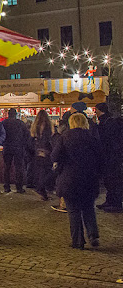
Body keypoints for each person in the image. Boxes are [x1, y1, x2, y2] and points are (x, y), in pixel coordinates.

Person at [51, 113, 103, 249]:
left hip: (70, 179)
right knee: (88, 208)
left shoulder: (64, 137)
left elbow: (55, 156)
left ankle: (78, 241)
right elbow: (100, 158)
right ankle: (93, 235)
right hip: (89, 178)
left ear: (71, 123)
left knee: (73, 211)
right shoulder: (92, 138)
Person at [94, 102, 123, 213]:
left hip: (111, 156)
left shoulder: (106, 123)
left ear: (100, 110)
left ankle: (115, 203)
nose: (95, 112)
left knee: (112, 179)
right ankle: (110, 200)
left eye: (96, 110)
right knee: (110, 179)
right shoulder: (108, 121)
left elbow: (105, 140)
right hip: (112, 155)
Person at [1, 108, 30, 194]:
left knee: (7, 167)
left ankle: (6, 186)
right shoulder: (20, 123)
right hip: (18, 148)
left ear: (8, 114)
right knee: (18, 168)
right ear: (16, 114)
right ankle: (19, 187)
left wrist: (3, 143)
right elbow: (27, 135)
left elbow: (0, 134)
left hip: (7, 147)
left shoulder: (4, 123)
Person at [31, 110, 54, 200]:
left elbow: (32, 138)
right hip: (46, 151)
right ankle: (41, 189)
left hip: (37, 152)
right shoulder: (48, 126)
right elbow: (48, 139)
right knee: (47, 171)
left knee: (40, 172)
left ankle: (41, 190)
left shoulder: (35, 126)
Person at [51, 119, 70, 213]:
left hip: (65, 165)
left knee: (62, 184)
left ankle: (63, 205)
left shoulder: (63, 137)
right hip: (81, 169)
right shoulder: (89, 136)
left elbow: (55, 154)